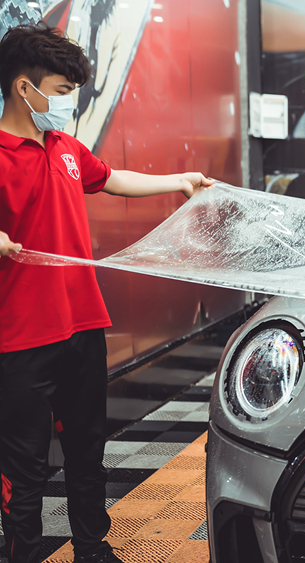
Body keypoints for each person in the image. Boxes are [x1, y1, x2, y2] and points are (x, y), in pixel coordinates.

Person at [0, 24, 214, 563]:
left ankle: (93, 550)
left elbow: (113, 178)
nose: (69, 102)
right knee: (24, 469)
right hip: (21, 340)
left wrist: (177, 181)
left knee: (87, 454)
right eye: (62, 90)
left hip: (83, 327)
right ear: (25, 88)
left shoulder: (66, 148)